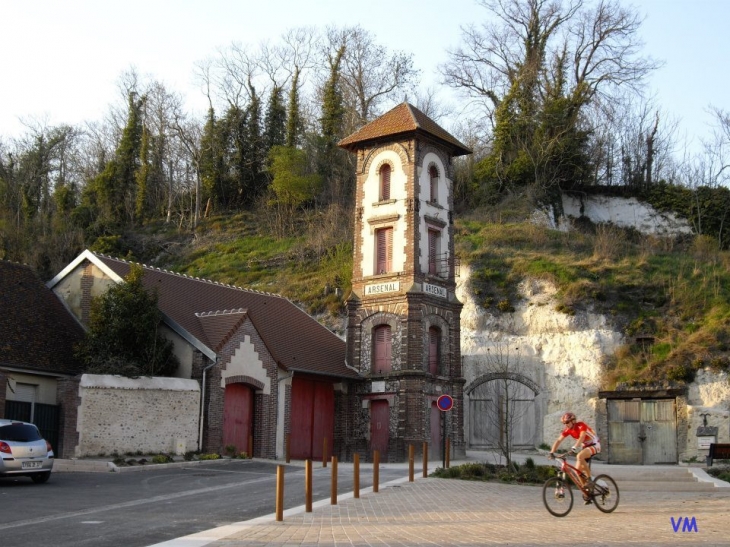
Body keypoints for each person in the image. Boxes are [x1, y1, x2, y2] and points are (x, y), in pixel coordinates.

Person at [549, 412, 601, 503]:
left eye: (567, 422)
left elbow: (582, 437)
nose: (566, 424)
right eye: (564, 423)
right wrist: (552, 452)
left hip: (595, 445)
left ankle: (589, 480)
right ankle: (587, 493)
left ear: (573, 421)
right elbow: (558, 440)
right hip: (586, 448)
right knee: (577, 471)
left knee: (579, 456)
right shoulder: (568, 430)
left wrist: (574, 447)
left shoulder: (581, 425)